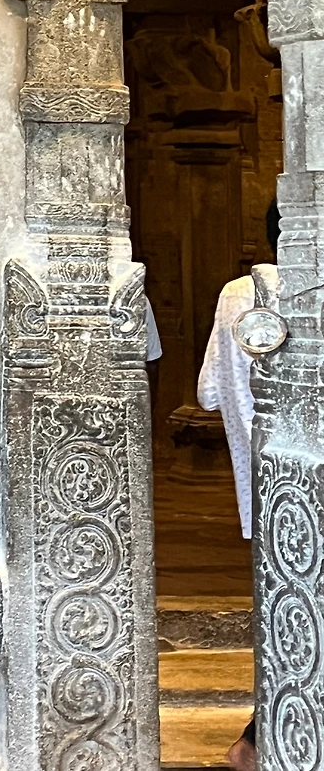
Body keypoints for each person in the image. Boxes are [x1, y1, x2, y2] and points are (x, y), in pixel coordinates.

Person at [197, 204, 281, 771]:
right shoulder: (299, 290)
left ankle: (259, 736)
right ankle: (261, 737)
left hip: (260, 485)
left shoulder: (236, 293)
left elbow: (207, 392)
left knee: (283, 609)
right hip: (305, 479)